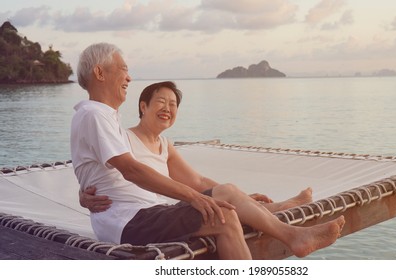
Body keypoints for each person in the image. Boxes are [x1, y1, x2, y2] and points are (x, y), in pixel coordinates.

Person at [71, 42, 345, 259]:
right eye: (123, 68)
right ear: (99, 73)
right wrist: (195, 198)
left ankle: (286, 225)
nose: (129, 77)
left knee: (224, 210)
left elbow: (97, 170)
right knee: (222, 206)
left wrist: (85, 193)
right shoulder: (95, 115)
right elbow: (131, 169)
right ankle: (293, 235)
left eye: (173, 104)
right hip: (129, 223)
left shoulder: (106, 118)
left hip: (141, 216)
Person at [80, 81, 315, 213]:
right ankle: (280, 208)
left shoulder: (165, 145)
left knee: (227, 201)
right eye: (161, 101)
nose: (167, 108)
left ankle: (269, 207)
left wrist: (239, 198)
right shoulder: (123, 136)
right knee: (224, 207)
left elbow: (198, 182)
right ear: (143, 106)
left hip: (160, 212)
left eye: (173, 104)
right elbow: (98, 166)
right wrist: (83, 195)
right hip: (134, 218)